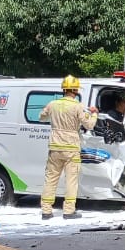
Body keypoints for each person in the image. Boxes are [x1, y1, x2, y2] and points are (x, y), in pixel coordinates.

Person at [38, 75, 98, 220]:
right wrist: (94, 114)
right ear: (75, 90)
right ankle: (69, 211)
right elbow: (89, 125)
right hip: (71, 148)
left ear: (64, 90)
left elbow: (41, 117)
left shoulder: (53, 104)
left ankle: (46, 211)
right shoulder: (78, 106)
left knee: (50, 179)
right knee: (71, 180)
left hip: (54, 147)